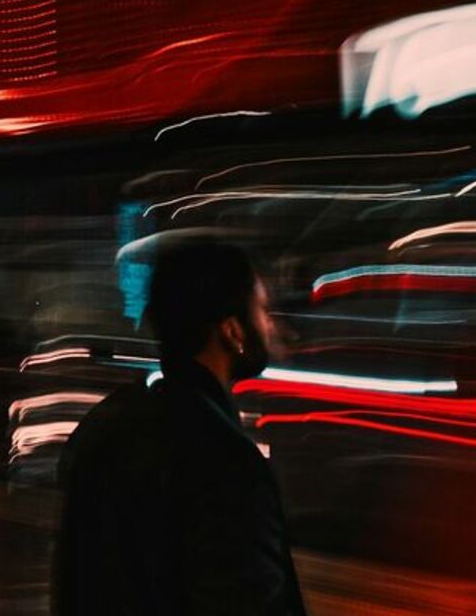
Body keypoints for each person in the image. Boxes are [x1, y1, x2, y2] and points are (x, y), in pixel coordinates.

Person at [53, 237, 304, 615]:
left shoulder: (104, 426)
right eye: (263, 310)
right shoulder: (225, 460)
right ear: (232, 331)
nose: (270, 325)